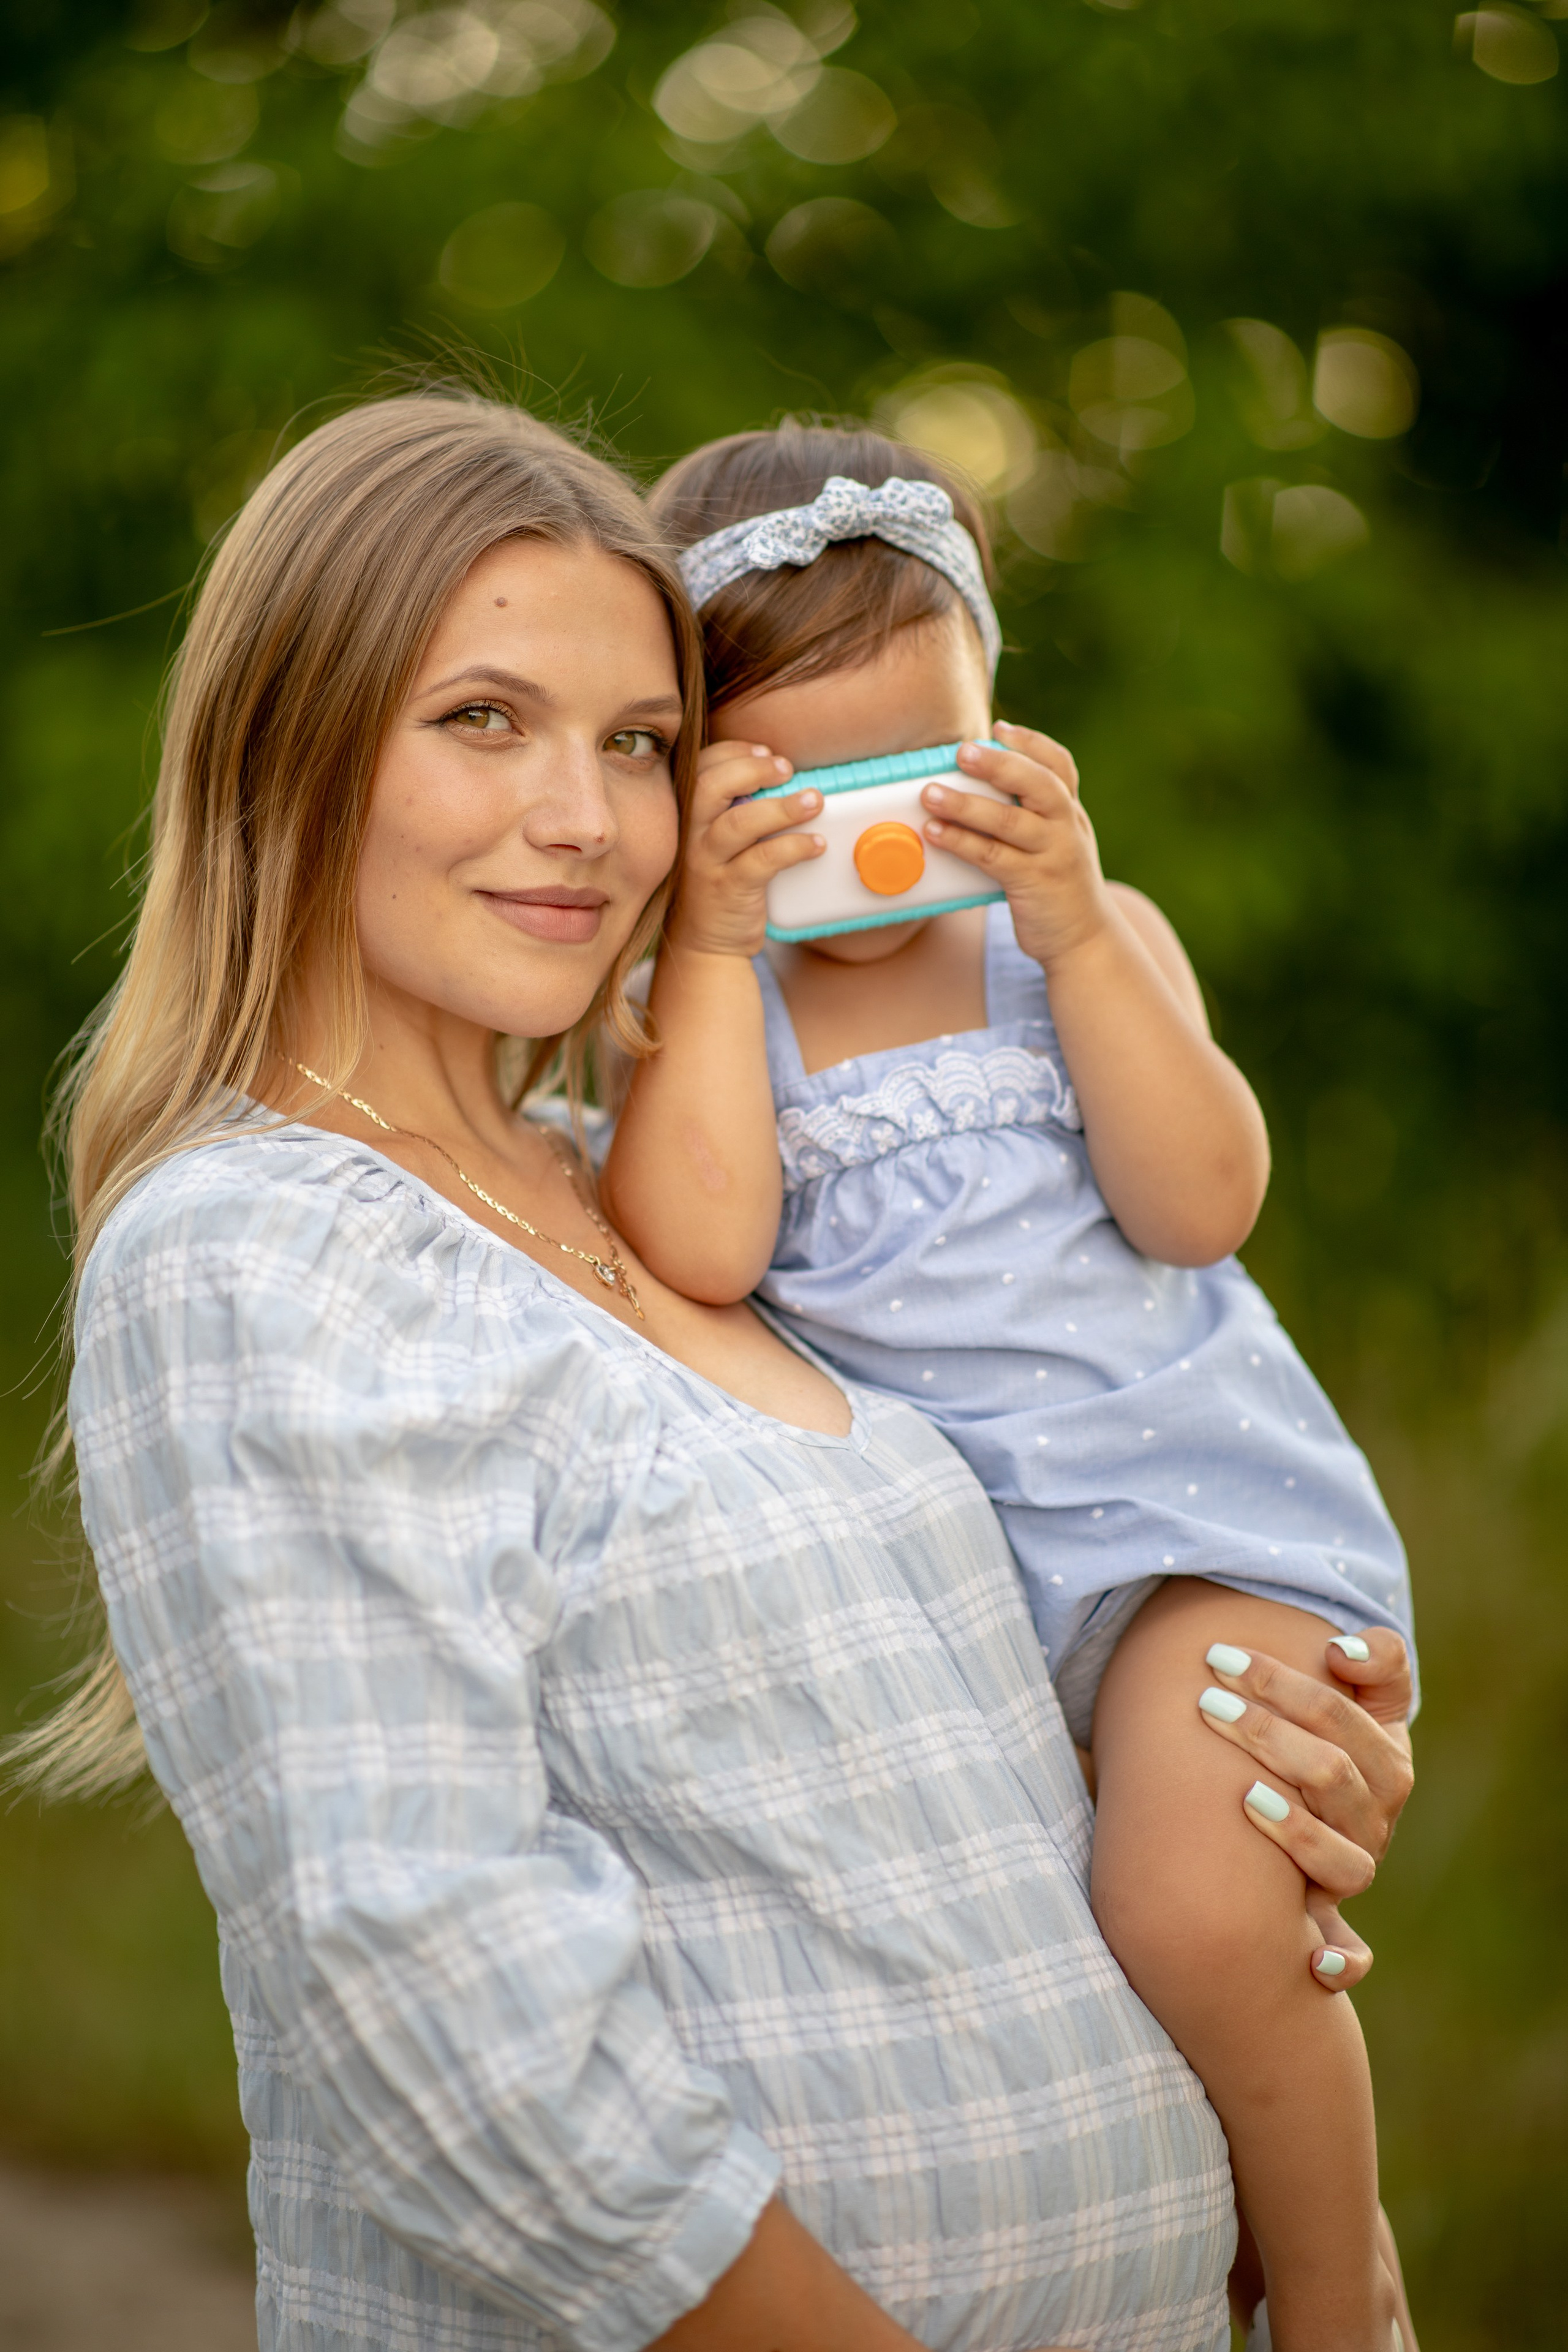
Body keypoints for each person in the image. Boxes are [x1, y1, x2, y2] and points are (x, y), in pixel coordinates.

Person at [26, 391, 1415, 2352]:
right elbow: (443, 1998)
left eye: (642, 745)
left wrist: (1274, 1776)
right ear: (292, 747)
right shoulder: (266, 1248)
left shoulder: (665, 1203)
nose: (587, 818)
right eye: (483, 718)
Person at [601, 420, 1420, 2352]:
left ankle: (1339, 2290)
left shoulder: (1076, 950)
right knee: (1108, 2005)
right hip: (968, 1616)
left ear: (996, 733)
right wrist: (713, 953)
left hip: (1190, 1533)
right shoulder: (711, 1009)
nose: (858, 831)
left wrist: (1074, 926)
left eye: (916, 767)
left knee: (1207, 1917)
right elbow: (703, 1239)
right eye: (780, 793)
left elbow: (1204, 1201)